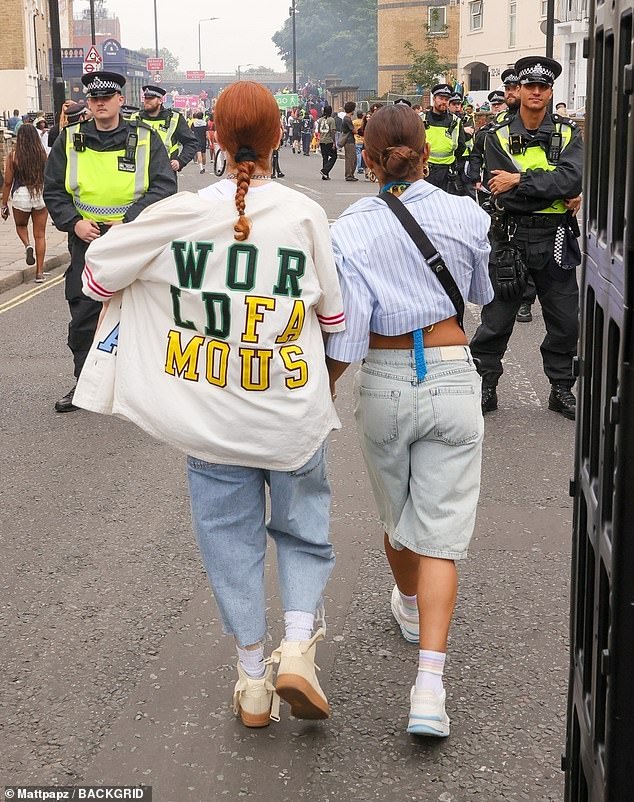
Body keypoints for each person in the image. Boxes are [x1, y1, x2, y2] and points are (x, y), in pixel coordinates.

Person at [73, 80, 345, 729]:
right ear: (280, 136)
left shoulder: (180, 215)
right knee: (304, 531)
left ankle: (253, 679)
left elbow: (96, 275)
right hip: (291, 415)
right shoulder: (306, 215)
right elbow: (333, 316)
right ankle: (299, 646)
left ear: (214, 139)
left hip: (211, 421)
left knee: (230, 543)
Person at [325, 103, 493, 737]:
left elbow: (348, 335)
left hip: (388, 379)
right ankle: (429, 689)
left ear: (366, 161)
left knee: (399, 523)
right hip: (452, 370)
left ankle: (404, 599)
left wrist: (321, 396)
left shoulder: (349, 229)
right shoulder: (465, 213)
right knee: (443, 535)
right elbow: (479, 292)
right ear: (428, 155)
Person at [43, 70, 177, 413]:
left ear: (120, 100)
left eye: (106, 98)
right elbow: (54, 190)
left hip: (132, 241)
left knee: (141, 313)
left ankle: (142, 387)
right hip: (87, 240)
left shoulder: (145, 138)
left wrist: (129, 222)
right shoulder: (69, 139)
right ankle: (85, 385)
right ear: (88, 103)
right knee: (85, 313)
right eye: (94, 99)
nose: (100, 104)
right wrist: (73, 223)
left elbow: (164, 187)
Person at [470, 56, 584, 420]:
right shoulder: (495, 134)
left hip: (556, 237)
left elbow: (572, 180)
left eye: (543, 87)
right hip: (511, 236)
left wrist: (520, 179)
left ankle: (561, 389)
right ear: (518, 90)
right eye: (529, 86)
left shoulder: (568, 133)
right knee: (496, 319)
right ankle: (486, 385)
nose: (536, 92)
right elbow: (500, 190)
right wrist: (551, 188)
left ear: (550, 93)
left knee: (566, 321)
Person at [1, 124, 49, 282]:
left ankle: (27, 245)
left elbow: (7, 182)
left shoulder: (13, 156)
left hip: (21, 195)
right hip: (39, 194)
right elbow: (49, 177)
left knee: (21, 226)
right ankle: (39, 273)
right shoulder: (42, 154)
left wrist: (4, 204)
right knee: (40, 235)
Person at [133, 85, 197, 175]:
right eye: (145, 98)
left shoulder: (174, 118)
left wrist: (180, 161)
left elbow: (191, 143)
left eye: (151, 98)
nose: (147, 101)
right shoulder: (134, 118)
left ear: (160, 100)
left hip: (165, 174)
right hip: (138, 173)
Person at [422, 84, 466, 193]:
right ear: (434, 99)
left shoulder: (455, 121)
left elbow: (461, 146)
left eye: (446, 99)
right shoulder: (421, 119)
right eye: (441, 98)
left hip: (448, 172)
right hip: (427, 170)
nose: (444, 102)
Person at [317, 105, 337, 180]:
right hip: (329, 140)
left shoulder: (320, 120)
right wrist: (334, 142)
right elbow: (332, 131)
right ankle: (325, 171)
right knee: (333, 156)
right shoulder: (331, 120)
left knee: (325, 157)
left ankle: (325, 175)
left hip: (322, 140)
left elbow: (319, 131)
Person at [341, 101, 358, 181]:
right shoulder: (347, 119)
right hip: (349, 141)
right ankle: (349, 175)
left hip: (350, 141)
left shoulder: (346, 118)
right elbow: (353, 130)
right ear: (352, 110)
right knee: (350, 158)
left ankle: (350, 174)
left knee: (352, 158)